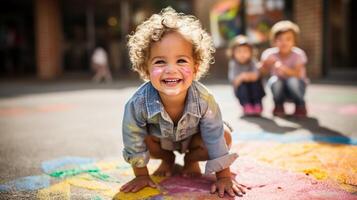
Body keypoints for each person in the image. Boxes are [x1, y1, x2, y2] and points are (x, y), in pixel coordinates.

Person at [120, 7, 248, 198]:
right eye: (160, 62)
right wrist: (141, 175)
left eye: (181, 60)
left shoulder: (204, 100)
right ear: (145, 68)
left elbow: (214, 136)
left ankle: (190, 159)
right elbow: (133, 138)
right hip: (160, 143)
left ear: (195, 67)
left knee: (225, 135)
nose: (171, 69)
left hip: (195, 141)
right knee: (141, 138)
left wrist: (223, 177)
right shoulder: (138, 103)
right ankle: (168, 159)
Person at [260, 20, 308, 117]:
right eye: (280, 39)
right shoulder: (269, 54)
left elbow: (298, 74)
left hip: (297, 87)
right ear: (274, 41)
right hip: (279, 88)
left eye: (288, 39)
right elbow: (262, 71)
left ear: (294, 41)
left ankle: (300, 105)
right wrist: (264, 65)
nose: (284, 42)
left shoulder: (298, 54)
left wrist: (282, 67)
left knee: (292, 81)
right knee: (274, 81)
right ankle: (278, 105)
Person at [227, 35, 265, 116]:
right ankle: (247, 105)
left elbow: (256, 76)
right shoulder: (234, 64)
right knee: (242, 86)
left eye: (245, 51)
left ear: (251, 52)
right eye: (239, 51)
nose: (242, 54)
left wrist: (244, 76)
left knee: (256, 84)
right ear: (233, 53)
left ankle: (257, 104)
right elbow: (235, 80)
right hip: (242, 90)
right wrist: (245, 77)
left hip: (254, 88)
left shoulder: (253, 62)